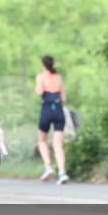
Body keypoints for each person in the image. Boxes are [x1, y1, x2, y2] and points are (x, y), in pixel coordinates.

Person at [35, 55, 69, 185]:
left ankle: (48, 167)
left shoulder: (41, 77)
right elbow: (64, 98)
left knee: (42, 141)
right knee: (58, 145)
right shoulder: (59, 77)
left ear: (43, 64)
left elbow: (39, 92)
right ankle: (62, 173)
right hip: (59, 110)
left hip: (47, 110)